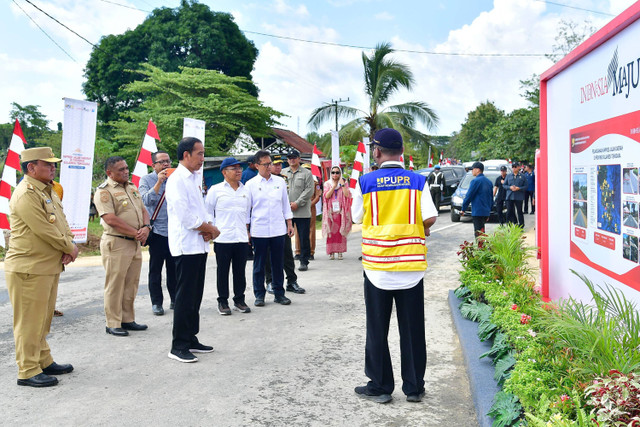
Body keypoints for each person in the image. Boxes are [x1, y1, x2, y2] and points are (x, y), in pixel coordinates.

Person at [351, 128, 438, 404]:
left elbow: (356, 216)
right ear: (401, 152)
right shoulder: (416, 180)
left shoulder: (365, 181)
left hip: (377, 267)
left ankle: (380, 386)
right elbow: (432, 216)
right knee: (412, 330)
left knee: (377, 328)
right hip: (411, 266)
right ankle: (413, 388)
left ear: (376, 151)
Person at [5, 147, 79, 388]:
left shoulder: (47, 191)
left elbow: (61, 222)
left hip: (46, 265)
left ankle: (43, 360)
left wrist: (69, 244)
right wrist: (68, 247)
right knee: (29, 321)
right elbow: (43, 229)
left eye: (53, 164)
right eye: (48, 164)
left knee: (43, 319)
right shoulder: (26, 193)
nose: (53, 168)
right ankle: (27, 370)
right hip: (29, 266)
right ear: (31, 168)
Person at [165, 137, 220, 363]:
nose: (202, 158)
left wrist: (208, 230)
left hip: (198, 244)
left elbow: (200, 209)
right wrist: (210, 229)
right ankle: (178, 345)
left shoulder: (194, 179)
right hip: (185, 246)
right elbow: (186, 216)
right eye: (199, 154)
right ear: (186, 155)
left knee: (195, 295)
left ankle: (191, 338)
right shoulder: (177, 179)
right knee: (185, 297)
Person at [94, 156, 150, 337]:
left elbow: (143, 210)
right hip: (117, 242)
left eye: (126, 168)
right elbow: (110, 218)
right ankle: (112, 323)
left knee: (131, 283)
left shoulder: (132, 187)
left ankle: (127, 319)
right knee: (115, 284)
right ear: (109, 173)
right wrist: (136, 233)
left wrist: (146, 227)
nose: (126, 172)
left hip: (134, 242)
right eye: (121, 170)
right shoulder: (104, 191)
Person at [245, 149, 295, 307]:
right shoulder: (250, 185)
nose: (268, 167)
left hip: (278, 229)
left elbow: (285, 205)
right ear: (257, 165)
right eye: (265, 164)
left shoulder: (279, 182)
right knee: (259, 264)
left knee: (277, 263)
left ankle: (279, 293)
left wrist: (289, 223)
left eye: (270, 164)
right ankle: (259, 295)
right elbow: (247, 210)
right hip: (259, 230)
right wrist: (247, 230)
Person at [205, 157, 252, 315]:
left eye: (240, 168)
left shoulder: (246, 190)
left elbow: (248, 213)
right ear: (224, 172)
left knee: (240, 271)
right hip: (223, 237)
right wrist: (212, 229)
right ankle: (222, 301)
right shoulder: (216, 190)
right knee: (223, 271)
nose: (239, 171)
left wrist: (247, 229)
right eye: (234, 168)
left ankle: (239, 300)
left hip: (241, 237)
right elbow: (208, 211)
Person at [138, 150, 177, 316]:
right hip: (157, 231)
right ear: (153, 165)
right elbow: (146, 200)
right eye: (161, 162)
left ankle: (175, 299)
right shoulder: (146, 179)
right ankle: (156, 303)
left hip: (174, 230)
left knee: (174, 269)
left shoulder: (176, 177)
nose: (166, 164)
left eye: (167, 161)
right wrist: (159, 183)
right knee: (155, 270)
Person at [264, 156, 305, 294]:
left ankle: (291, 281)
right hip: (267, 223)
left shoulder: (282, 180)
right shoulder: (260, 182)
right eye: (275, 164)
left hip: (282, 221)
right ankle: (270, 281)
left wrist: (289, 222)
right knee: (268, 255)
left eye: (279, 164)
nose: (277, 167)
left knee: (287, 253)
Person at [282, 149, 314, 271]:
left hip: (302, 211)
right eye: (289, 158)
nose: (292, 159)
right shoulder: (283, 172)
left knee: (303, 237)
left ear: (299, 159)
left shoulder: (306, 173)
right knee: (285, 237)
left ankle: (304, 260)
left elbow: (309, 190)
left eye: (294, 157)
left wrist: (297, 203)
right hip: (286, 211)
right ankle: (286, 260)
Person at [322, 165, 352, 260]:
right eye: (333, 172)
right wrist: (334, 186)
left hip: (341, 211)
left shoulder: (343, 183)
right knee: (331, 231)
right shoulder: (327, 183)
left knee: (340, 231)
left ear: (340, 173)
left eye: (337, 172)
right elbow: (326, 196)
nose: (335, 174)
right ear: (330, 174)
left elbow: (347, 194)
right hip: (331, 212)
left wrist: (342, 184)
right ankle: (331, 252)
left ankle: (340, 251)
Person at [461, 162, 493, 239]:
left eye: (473, 169)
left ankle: (480, 249)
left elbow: (469, 195)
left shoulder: (475, 181)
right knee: (482, 231)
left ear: (478, 170)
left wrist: (463, 209)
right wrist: (489, 211)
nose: (472, 171)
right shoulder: (489, 182)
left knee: (478, 232)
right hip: (485, 211)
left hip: (477, 211)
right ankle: (482, 248)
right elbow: (491, 198)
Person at [295, 163, 321, 260]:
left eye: (308, 170)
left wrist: (309, 205)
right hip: (298, 208)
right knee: (297, 230)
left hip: (310, 208)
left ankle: (310, 252)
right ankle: (298, 251)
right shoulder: (297, 182)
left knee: (310, 229)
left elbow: (317, 196)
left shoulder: (315, 183)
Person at [503, 162, 527, 228]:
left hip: (518, 196)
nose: (514, 168)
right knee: (509, 211)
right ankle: (509, 225)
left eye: (515, 167)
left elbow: (526, 186)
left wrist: (519, 188)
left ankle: (521, 225)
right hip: (510, 196)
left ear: (518, 167)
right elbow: (504, 185)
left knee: (519, 211)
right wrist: (509, 187)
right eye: (512, 167)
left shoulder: (522, 176)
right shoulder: (509, 176)